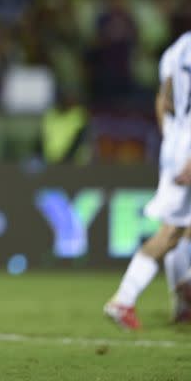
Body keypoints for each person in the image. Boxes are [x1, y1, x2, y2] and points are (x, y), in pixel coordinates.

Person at [105, 31, 191, 329]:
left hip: (177, 142)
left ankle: (184, 299)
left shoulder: (177, 48)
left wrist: (173, 142)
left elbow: (163, 100)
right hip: (188, 148)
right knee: (171, 231)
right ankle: (123, 300)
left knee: (179, 228)